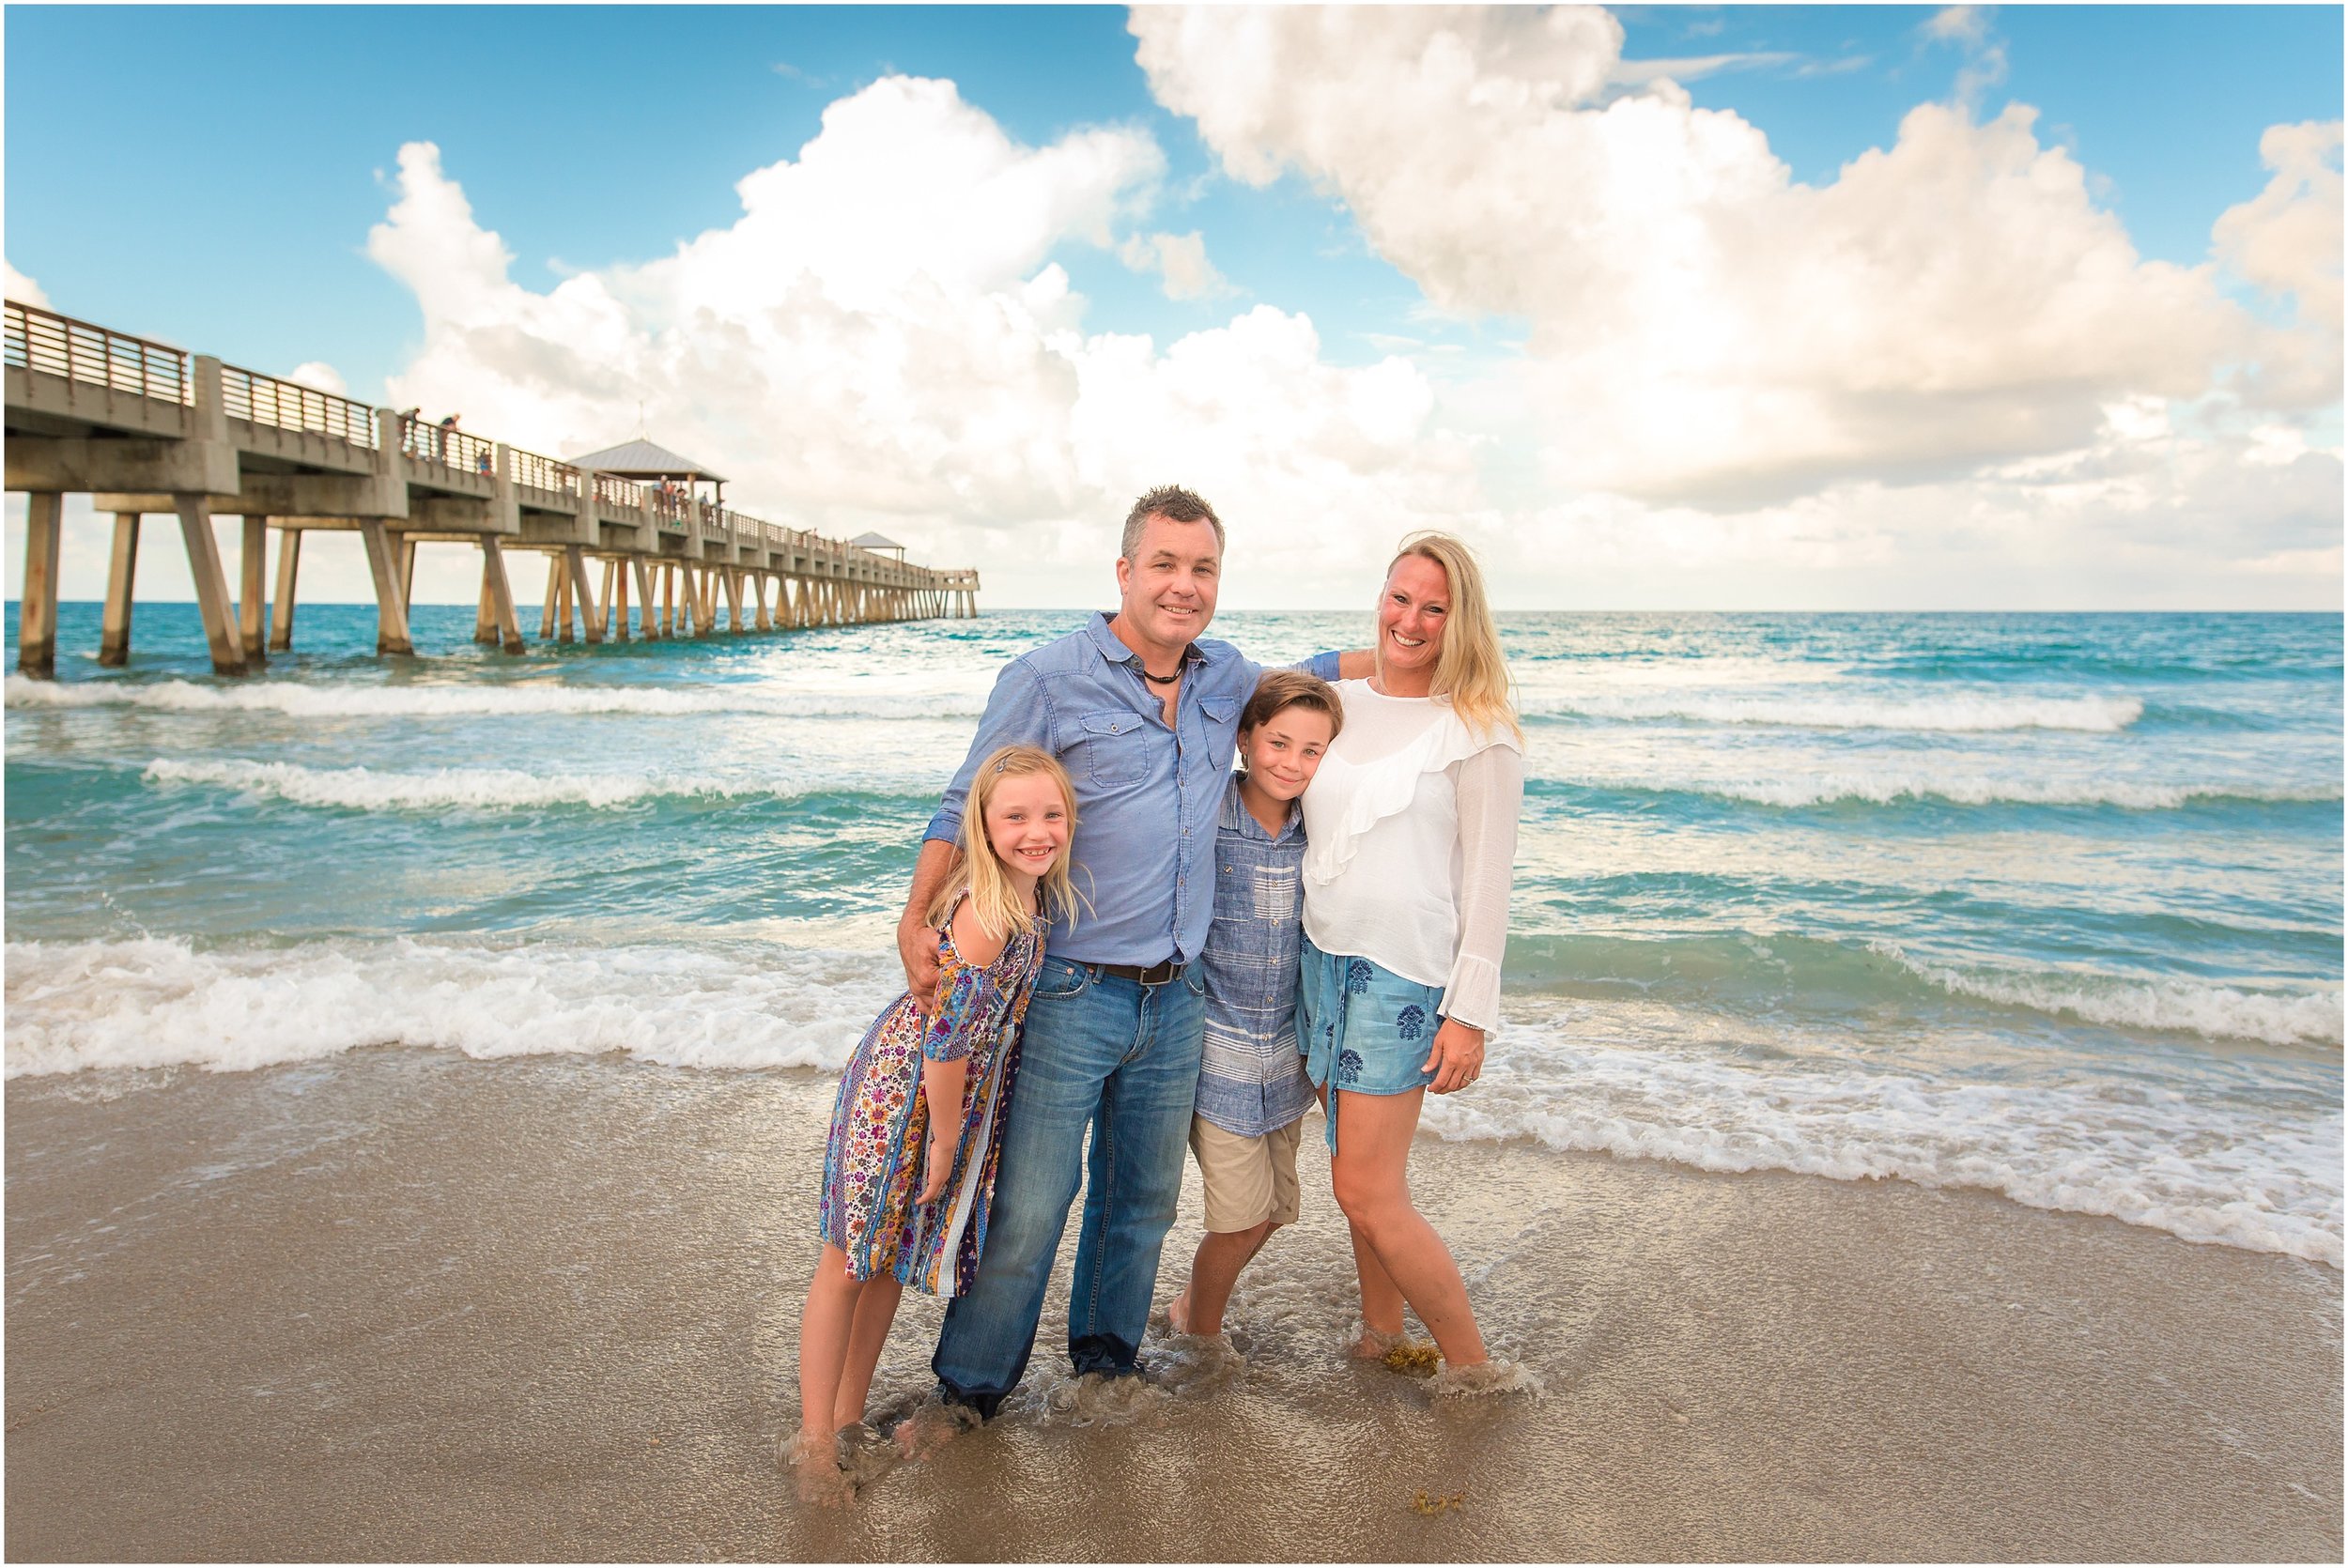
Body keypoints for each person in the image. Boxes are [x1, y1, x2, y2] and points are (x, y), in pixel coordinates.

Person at [893, 485, 1367, 1438]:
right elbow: (965, 801)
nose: (1183, 585)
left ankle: (1104, 1363)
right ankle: (969, 1391)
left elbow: (1313, 675)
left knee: (1140, 1198)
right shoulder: (1049, 676)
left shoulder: (1227, 676)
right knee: (1032, 1201)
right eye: (1165, 564)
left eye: (1202, 569)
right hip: (1072, 986)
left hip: (1179, 994)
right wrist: (915, 917)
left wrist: (1419, 653)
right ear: (1124, 571)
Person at [795, 745, 1078, 1498]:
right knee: (852, 1257)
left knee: (889, 1258)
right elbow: (947, 1040)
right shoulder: (987, 911)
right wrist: (949, 1139)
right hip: (908, 1094)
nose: (1037, 831)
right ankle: (815, 1443)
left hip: (944, 1096)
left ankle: (850, 1416)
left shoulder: (1028, 899)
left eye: (1052, 814)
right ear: (983, 825)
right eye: (1015, 816)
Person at [1298, 531, 1522, 1374]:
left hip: (1402, 974)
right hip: (1318, 960)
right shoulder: (1332, 697)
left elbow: (1488, 886)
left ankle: (1473, 1367)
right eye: (1400, 597)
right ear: (1380, 596)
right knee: (1347, 1175)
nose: (1412, 619)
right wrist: (1375, 656)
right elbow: (1254, 689)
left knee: (1366, 1188)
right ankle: (1380, 1329)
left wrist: (1470, 1015)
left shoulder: (1479, 729)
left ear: (1462, 621)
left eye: (1437, 607)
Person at [1163, 669, 1342, 1339]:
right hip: (1218, 1054)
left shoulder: (1318, 831)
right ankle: (1200, 1331)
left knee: (1273, 1212)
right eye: (1278, 743)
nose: (1292, 763)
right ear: (1242, 739)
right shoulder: (1207, 815)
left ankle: (1189, 1308)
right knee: (1236, 1217)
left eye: (1311, 751)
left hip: (1286, 1060)